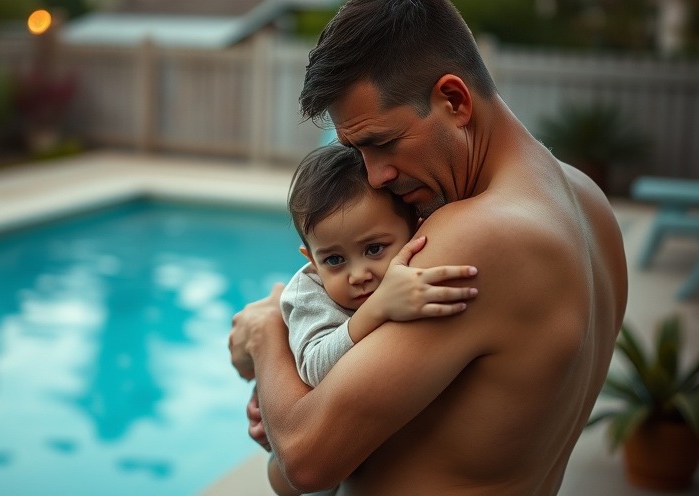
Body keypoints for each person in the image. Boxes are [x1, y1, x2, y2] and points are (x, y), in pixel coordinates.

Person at [228, 1, 629, 495]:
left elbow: (305, 461)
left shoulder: (477, 236)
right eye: (357, 152)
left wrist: (266, 332)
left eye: (383, 142)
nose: (375, 176)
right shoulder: (590, 205)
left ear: (454, 100)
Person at [269, 144, 478, 496]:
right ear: (312, 260)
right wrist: (377, 309)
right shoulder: (307, 295)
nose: (358, 274)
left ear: (415, 229)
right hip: (319, 437)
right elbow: (314, 367)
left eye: (374, 249)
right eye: (334, 260)